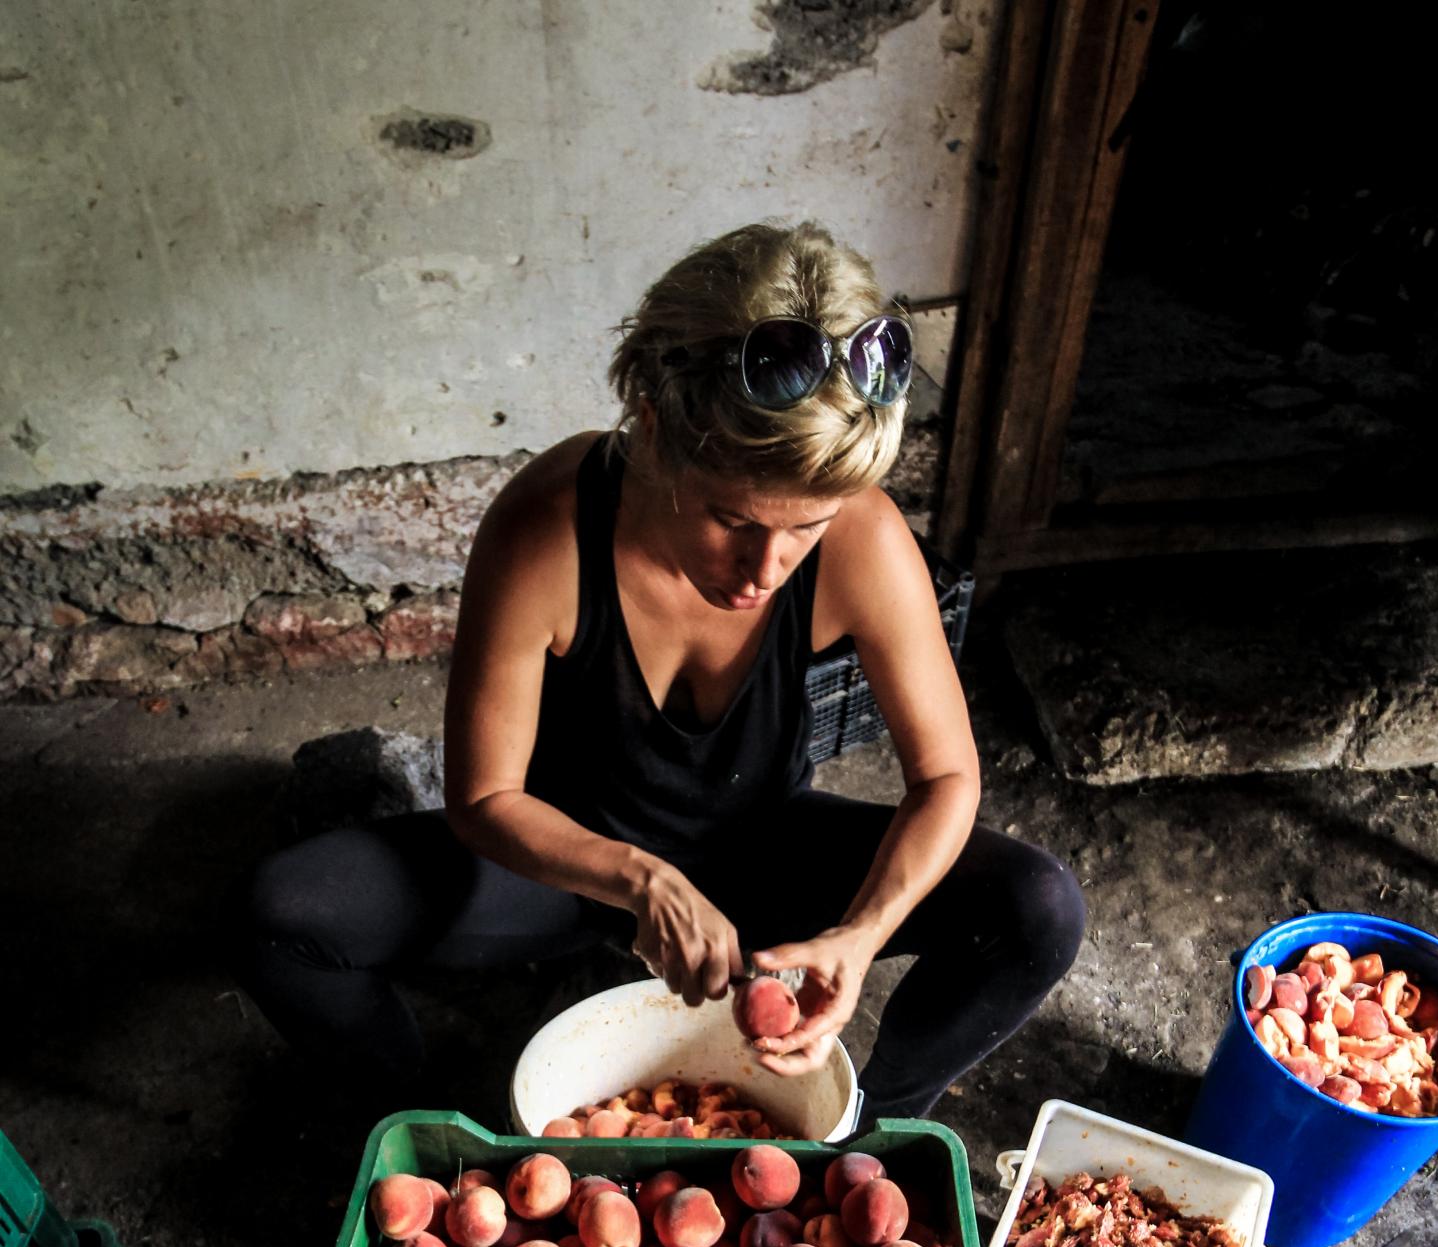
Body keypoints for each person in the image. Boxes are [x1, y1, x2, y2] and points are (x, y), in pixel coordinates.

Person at [231, 222, 1083, 1119]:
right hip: (566, 866)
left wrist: (861, 933)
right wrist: (640, 880)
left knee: (1038, 909)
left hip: (766, 851)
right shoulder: (548, 530)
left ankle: (865, 1129)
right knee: (278, 915)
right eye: (731, 519)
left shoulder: (866, 541)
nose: (767, 569)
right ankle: (442, 1129)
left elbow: (947, 776)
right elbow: (485, 800)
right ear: (651, 428)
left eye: (807, 526)